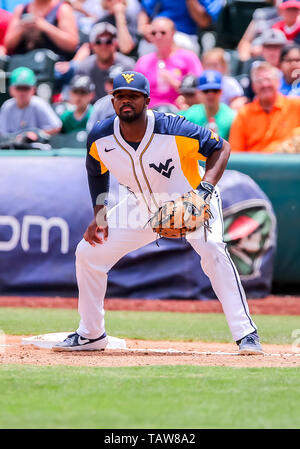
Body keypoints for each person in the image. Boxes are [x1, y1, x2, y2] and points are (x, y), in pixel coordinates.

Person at [53, 70, 262, 355]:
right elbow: (96, 170)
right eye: (121, 96)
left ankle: (246, 334)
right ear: (113, 101)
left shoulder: (172, 127)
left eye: (134, 96)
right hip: (140, 205)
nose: (127, 101)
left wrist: (205, 189)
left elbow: (221, 148)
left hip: (192, 200)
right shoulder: (101, 136)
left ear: (147, 100)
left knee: (212, 248)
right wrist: (99, 214)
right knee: (89, 253)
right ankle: (91, 334)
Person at [229, 61, 300, 152]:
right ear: (253, 87)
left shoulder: (296, 106)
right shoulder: (244, 114)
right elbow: (235, 152)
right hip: (253, 164)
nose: (265, 85)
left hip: (288, 163)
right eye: (259, 81)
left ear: (278, 82)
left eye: (268, 79)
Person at [56, 22, 135, 102]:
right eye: (98, 41)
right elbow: (71, 98)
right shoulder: (84, 67)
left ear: (116, 43)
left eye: (108, 41)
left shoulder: (127, 66)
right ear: (91, 45)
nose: (104, 46)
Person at [135, 17, 203, 108]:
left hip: (179, 110)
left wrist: (175, 83)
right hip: (150, 111)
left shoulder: (188, 58)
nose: (158, 36)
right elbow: (136, 90)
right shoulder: (144, 61)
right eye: (154, 33)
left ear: (173, 33)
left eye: (163, 32)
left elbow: (201, 90)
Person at [138, 0, 222, 55]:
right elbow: (145, 11)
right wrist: (144, 29)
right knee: (145, 47)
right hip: (157, 32)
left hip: (185, 36)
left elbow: (204, 22)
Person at [4, 0, 79, 60]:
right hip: (22, 64)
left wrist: (45, 26)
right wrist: (21, 28)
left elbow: (72, 45)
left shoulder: (62, 8)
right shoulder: (21, 10)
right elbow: (8, 45)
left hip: (52, 65)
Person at [0, 66, 62, 135]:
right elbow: (2, 133)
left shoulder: (39, 103)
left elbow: (56, 127)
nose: (22, 93)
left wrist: (37, 134)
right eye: (19, 88)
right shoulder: (7, 106)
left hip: (36, 145)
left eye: (26, 88)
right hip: (12, 144)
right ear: (11, 90)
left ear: (33, 90)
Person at [180, 70, 236, 140]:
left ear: (221, 91)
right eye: (206, 91)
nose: (210, 95)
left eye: (215, 90)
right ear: (199, 92)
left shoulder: (232, 117)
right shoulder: (190, 115)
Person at [86, 63, 124, 132]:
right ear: (106, 85)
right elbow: (91, 129)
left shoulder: (133, 102)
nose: (114, 86)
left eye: (118, 82)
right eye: (111, 82)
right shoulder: (100, 104)